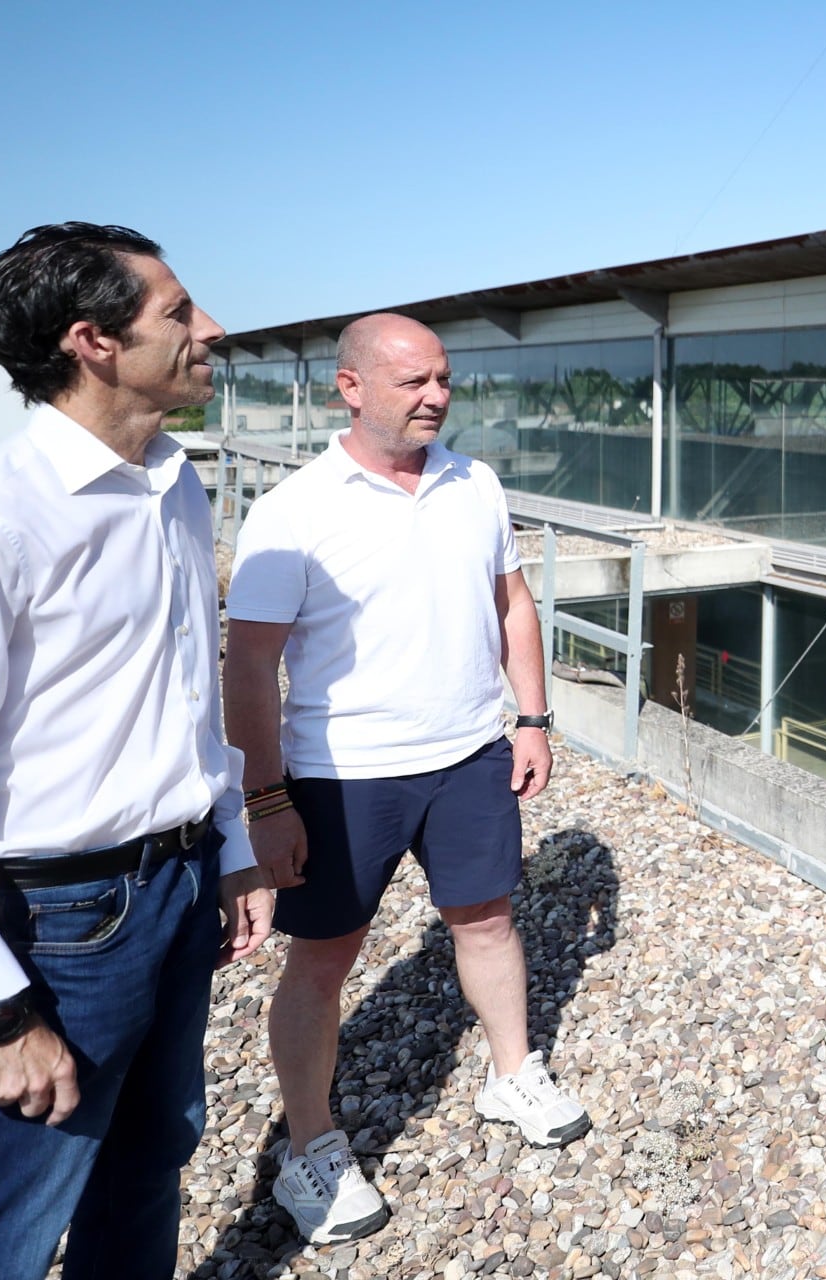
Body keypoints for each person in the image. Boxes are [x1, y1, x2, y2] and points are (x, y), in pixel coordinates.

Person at [0, 223, 273, 1280]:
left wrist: (225, 845)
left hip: (174, 892)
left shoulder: (174, 482)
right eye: (178, 312)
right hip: (54, 927)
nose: (208, 327)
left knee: (147, 1169)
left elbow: (187, 695)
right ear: (92, 342)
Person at [224, 312, 590, 1246]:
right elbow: (248, 665)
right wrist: (263, 801)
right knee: (322, 960)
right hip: (342, 775)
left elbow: (512, 604)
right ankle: (309, 1145)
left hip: (469, 755)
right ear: (350, 388)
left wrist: (534, 717)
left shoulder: (477, 484)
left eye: (444, 380)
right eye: (412, 382)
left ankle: (513, 1075)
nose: (436, 397)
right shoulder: (296, 508)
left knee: (489, 919)